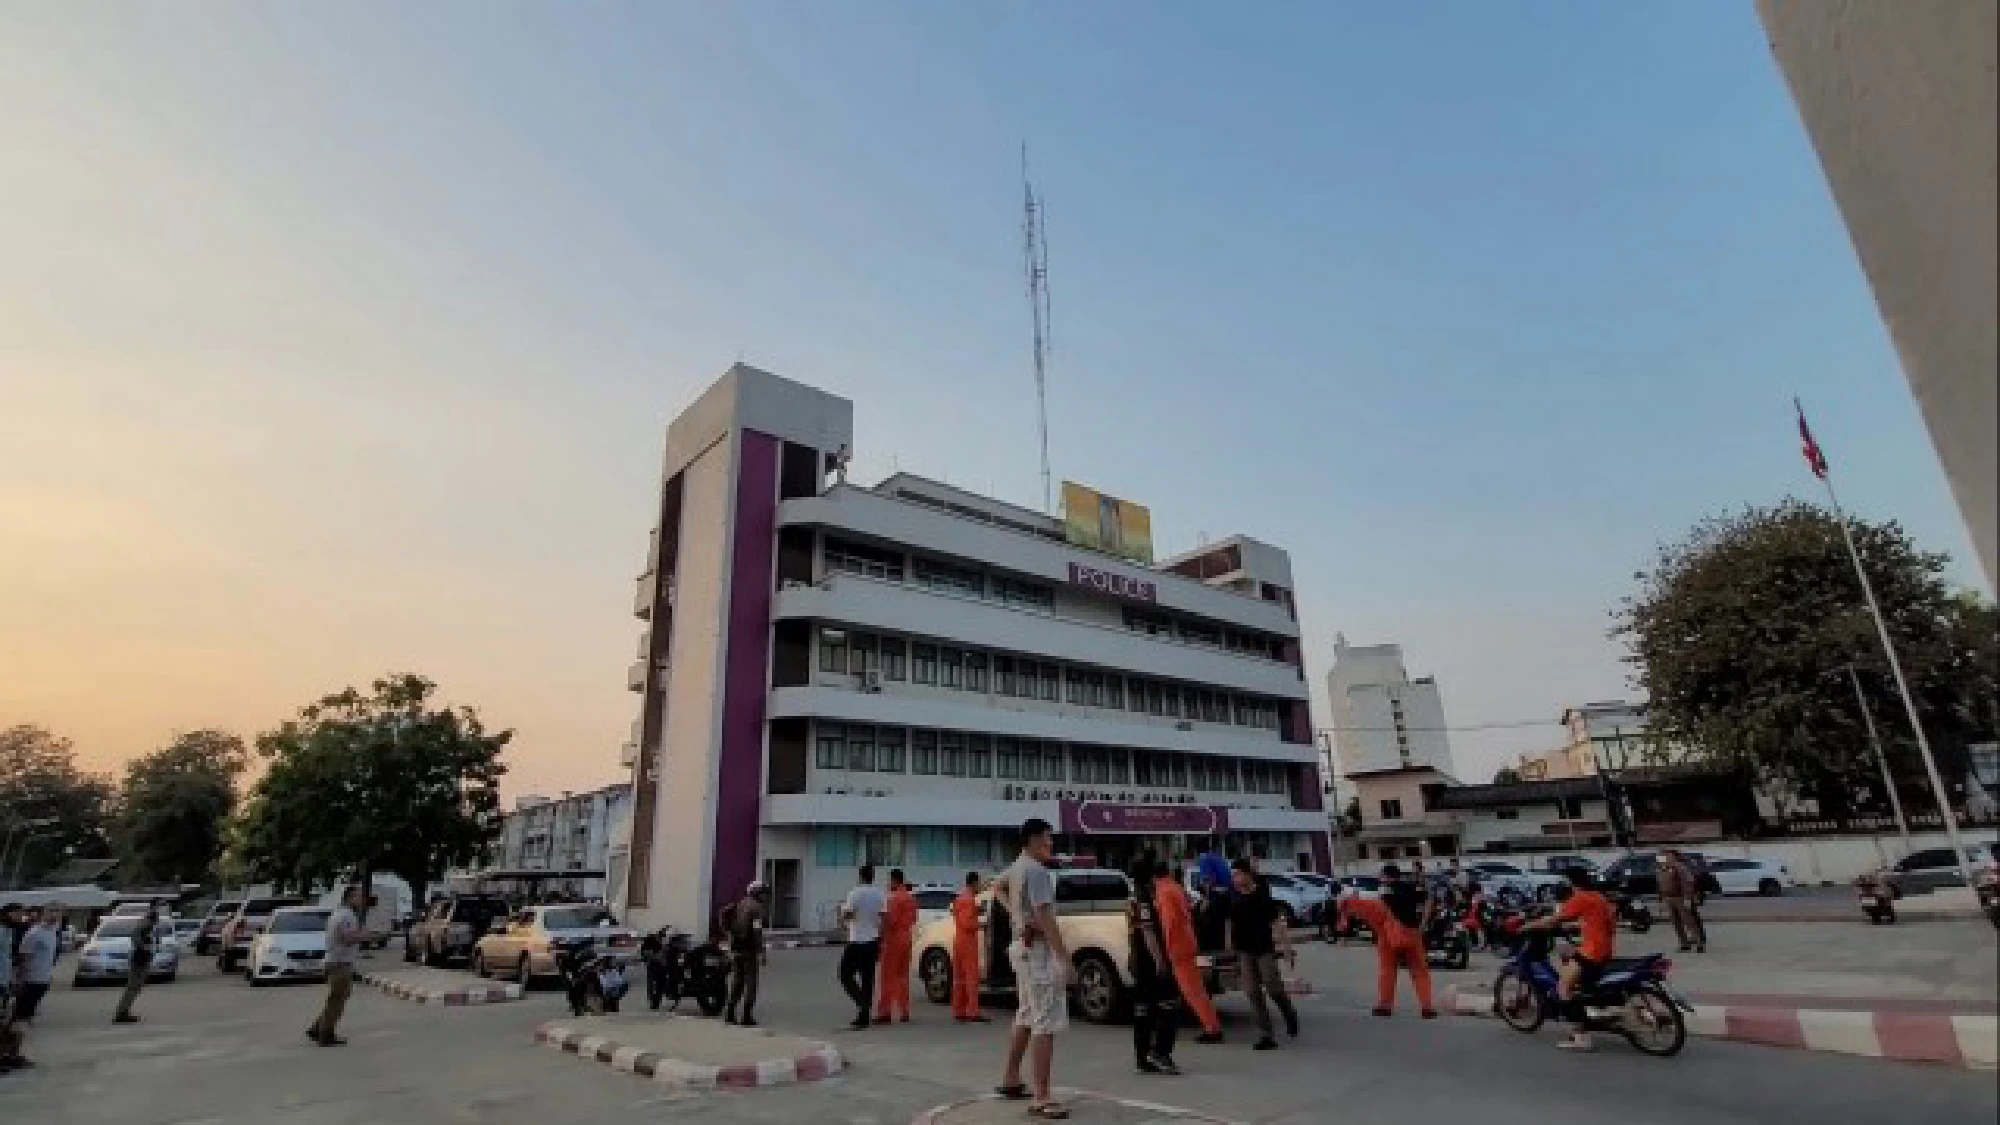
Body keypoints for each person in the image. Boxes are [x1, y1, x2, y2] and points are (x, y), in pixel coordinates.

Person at [993, 818, 1070, 1121]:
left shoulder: (1017, 867)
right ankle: (1042, 1095)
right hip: (1036, 952)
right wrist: (1064, 956)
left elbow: (996, 887)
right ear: (1034, 839)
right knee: (1045, 1022)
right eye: (1047, 839)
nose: (1051, 844)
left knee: (1026, 1014)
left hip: (1021, 950)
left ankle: (1012, 1077)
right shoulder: (1036, 871)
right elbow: (1044, 915)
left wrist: (1017, 916)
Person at [1524, 867, 1618, 1052]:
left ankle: (1581, 1038)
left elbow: (1554, 919)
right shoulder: (1598, 897)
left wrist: (1527, 925)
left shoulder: (1581, 897)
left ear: (1572, 883)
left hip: (1592, 952)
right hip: (1604, 948)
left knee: (1562, 988)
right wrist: (1578, 926)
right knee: (1566, 953)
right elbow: (1595, 920)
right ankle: (1586, 1005)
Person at [1341, 865, 1435, 1018]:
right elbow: (1429, 898)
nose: (1379, 878)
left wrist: (1349, 902)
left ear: (1387, 876)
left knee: (1387, 970)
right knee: (1419, 971)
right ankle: (1426, 1007)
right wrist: (1423, 923)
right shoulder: (1412, 888)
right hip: (1412, 933)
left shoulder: (1383, 890)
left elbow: (1373, 907)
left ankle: (1385, 1006)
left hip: (1388, 935)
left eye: (1381, 876)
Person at [1227, 860, 1299, 1051]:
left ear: (1247, 875)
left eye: (1237, 874)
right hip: (1245, 951)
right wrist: (1230, 947)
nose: (1234, 879)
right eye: (1232, 875)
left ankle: (1289, 1012)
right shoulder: (1234, 897)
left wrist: (1286, 950)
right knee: (1252, 992)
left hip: (1264, 949)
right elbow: (1231, 923)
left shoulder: (1262, 895)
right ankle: (1266, 1034)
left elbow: (1277, 924)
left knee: (1273, 987)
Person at [1153, 862, 1223, 1043]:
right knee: (1194, 989)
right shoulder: (1175, 887)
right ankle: (1212, 1026)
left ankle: (1212, 1029)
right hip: (1187, 940)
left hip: (1178, 945)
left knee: (1192, 990)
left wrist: (1168, 948)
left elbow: (1170, 922)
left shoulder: (1164, 891)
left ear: (1154, 877)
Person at [1124, 856, 1180, 1074]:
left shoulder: (1133, 896)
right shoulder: (1145, 898)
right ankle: (1161, 1053)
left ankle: (1143, 1057)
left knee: (1143, 1010)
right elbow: (1148, 932)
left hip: (1139, 958)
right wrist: (1159, 961)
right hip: (1149, 960)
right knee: (1170, 1004)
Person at [308, 886, 369, 1046]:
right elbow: (347, 939)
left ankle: (317, 1028)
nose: (362, 900)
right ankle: (326, 1034)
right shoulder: (347, 916)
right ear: (350, 898)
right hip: (340, 963)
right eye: (358, 896)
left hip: (335, 960)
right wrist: (365, 936)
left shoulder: (339, 914)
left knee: (338, 997)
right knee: (337, 1000)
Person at [837, 864, 885, 1029]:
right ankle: (864, 1016)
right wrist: (881, 940)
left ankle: (862, 1004)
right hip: (873, 940)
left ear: (860, 876)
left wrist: (843, 912)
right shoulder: (879, 894)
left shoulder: (855, 893)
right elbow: (883, 917)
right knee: (867, 978)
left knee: (845, 975)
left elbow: (849, 915)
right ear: (872, 876)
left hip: (857, 940)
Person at [873, 869, 918, 1024]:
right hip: (907, 937)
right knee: (902, 977)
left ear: (894, 880)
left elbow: (890, 921)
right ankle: (904, 1011)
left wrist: (882, 920)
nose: (888, 884)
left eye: (889, 881)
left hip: (894, 940)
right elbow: (914, 919)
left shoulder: (894, 899)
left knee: (887, 977)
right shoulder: (910, 898)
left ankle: (885, 1012)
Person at [722, 881, 768, 1025]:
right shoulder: (756, 908)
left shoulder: (740, 903)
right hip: (749, 950)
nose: (765, 896)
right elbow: (757, 932)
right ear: (756, 892)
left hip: (736, 948)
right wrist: (761, 952)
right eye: (763, 893)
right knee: (751, 984)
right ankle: (746, 1016)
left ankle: (730, 1013)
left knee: (737, 982)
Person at [949, 871, 988, 1023]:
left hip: (959, 939)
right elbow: (967, 923)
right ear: (973, 883)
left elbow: (960, 917)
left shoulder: (960, 898)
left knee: (959, 977)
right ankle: (973, 1011)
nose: (979, 886)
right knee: (971, 977)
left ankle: (959, 1010)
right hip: (968, 941)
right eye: (978, 883)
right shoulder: (969, 900)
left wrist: (977, 912)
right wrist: (981, 924)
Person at [13, 908, 60, 1025]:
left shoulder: (53, 931)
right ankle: (19, 1024)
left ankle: (26, 1019)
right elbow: (24, 955)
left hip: (44, 975)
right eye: (51, 913)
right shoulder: (34, 933)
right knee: (25, 1003)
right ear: (42, 916)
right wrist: (21, 976)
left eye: (57, 914)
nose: (54, 916)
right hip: (31, 976)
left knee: (36, 1000)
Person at [112, 905, 159, 1024]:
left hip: (142, 958)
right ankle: (121, 1013)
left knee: (135, 987)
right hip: (140, 959)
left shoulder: (147, 926)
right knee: (133, 987)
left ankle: (124, 1011)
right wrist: (144, 946)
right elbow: (135, 937)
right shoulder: (145, 925)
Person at [1657, 849, 1708, 953]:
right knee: (1676, 922)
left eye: (1666, 856)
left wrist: (1687, 898)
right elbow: (1662, 885)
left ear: (1673, 856)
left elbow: (1688, 882)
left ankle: (1699, 943)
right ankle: (1684, 943)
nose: (1663, 858)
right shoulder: (1663, 869)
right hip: (1669, 898)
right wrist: (1662, 900)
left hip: (1680, 897)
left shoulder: (1680, 867)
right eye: (1662, 856)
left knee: (1688, 921)